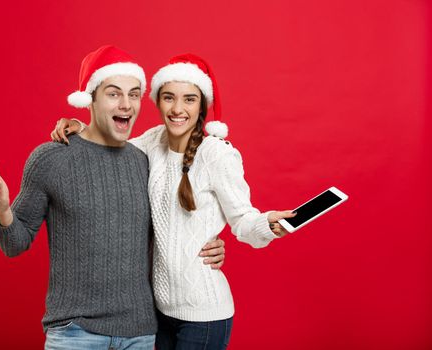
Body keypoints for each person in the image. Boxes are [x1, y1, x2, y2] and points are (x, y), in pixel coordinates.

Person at [51, 53, 297, 349]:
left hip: (204, 314)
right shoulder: (150, 143)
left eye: (189, 100)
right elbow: (108, 146)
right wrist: (79, 125)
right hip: (158, 311)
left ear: (202, 105)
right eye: (169, 98)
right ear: (157, 101)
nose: (178, 109)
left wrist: (267, 225)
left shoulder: (216, 154)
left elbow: (243, 221)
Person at [0, 45, 225, 350]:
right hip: (74, 333)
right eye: (114, 93)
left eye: (134, 94)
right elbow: (14, 244)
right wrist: (4, 214)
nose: (126, 104)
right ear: (91, 98)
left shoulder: (144, 160)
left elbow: (171, 229)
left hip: (139, 333)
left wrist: (208, 242)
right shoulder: (52, 159)